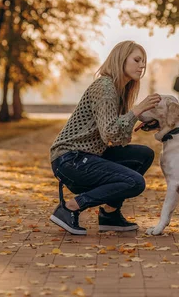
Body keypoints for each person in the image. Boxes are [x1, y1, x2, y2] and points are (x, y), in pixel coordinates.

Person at [49, 41, 161, 235]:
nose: (142, 66)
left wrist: (137, 120)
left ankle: (110, 214)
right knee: (135, 182)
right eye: (136, 60)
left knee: (143, 155)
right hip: (70, 159)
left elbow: (117, 140)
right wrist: (136, 111)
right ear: (121, 59)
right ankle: (70, 207)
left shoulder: (119, 90)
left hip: (89, 156)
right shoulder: (106, 87)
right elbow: (110, 132)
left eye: (143, 61)